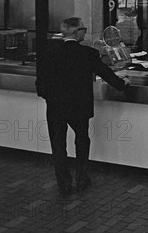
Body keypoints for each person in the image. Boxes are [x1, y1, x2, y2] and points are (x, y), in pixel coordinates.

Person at [36, 17, 130, 196]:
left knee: (58, 146)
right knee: (82, 141)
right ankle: (81, 178)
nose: (85, 32)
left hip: (55, 107)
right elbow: (106, 73)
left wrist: (50, 98)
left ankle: (64, 184)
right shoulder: (88, 54)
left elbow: (40, 83)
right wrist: (123, 85)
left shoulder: (49, 53)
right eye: (83, 29)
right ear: (75, 32)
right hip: (79, 106)